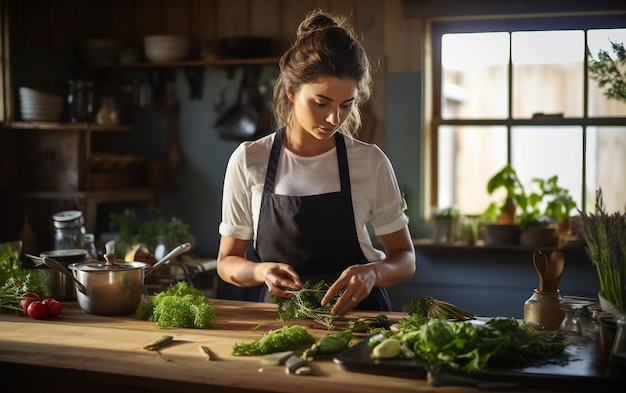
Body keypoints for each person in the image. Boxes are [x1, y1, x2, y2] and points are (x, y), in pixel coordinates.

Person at [216, 9, 415, 314]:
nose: (335, 118)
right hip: (280, 322)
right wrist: (261, 271)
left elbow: (404, 258)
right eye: (321, 103)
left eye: (346, 104)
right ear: (291, 91)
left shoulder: (370, 161)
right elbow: (227, 262)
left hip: (359, 320)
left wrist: (373, 272)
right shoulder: (249, 160)